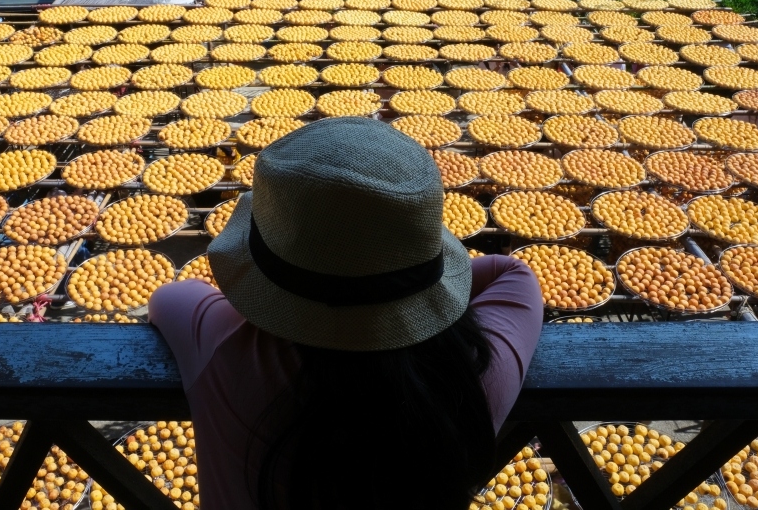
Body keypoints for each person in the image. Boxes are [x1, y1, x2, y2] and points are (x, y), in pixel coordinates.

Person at [150, 117, 544, 510]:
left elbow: (169, 299)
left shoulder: (223, 349)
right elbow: (513, 273)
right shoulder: (476, 378)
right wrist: (408, 287)